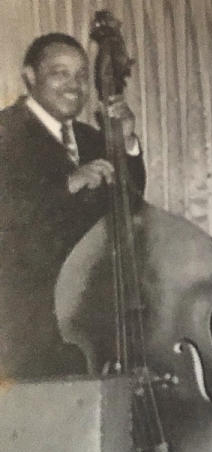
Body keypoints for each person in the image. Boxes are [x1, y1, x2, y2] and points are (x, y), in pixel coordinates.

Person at [0, 32, 145, 380]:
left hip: (88, 317)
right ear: (30, 76)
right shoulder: (5, 132)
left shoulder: (92, 138)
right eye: (59, 73)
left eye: (81, 75)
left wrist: (124, 140)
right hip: (27, 324)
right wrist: (68, 184)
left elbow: (131, 203)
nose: (74, 85)